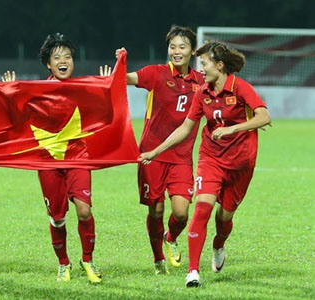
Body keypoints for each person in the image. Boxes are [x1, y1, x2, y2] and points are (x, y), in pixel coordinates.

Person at [139, 41, 271, 287]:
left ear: (219, 66)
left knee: (224, 217)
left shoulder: (240, 88)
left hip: (241, 163)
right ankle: (193, 271)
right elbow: (186, 127)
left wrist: (235, 128)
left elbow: (264, 115)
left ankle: (219, 244)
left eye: (205, 63)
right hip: (211, 158)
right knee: (201, 209)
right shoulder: (202, 92)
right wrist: (156, 151)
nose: (201, 68)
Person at [2, 33, 104, 283]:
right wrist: (10, 95)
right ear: (48, 64)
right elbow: (16, 119)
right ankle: (63, 264)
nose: (63, 61)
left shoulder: (83, 89)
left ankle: (88, 261)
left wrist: (106, 86)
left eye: (68, 57)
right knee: (58, 218)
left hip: (78, 158)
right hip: (47, 162)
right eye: (57, 57)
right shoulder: (37, 92)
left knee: (83, 210)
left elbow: (106, 110)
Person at [112, 26, 204, 275]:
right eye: (172, 46)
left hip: (182, 158)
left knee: (181, 213)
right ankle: (158, 258)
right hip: (151, 156)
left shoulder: (201, 82)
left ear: (192, 51)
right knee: (157, 209)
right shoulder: (157, 73)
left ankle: (171, 237)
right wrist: (120, 64)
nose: (176, 51)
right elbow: (125, 79)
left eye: (182, 46)